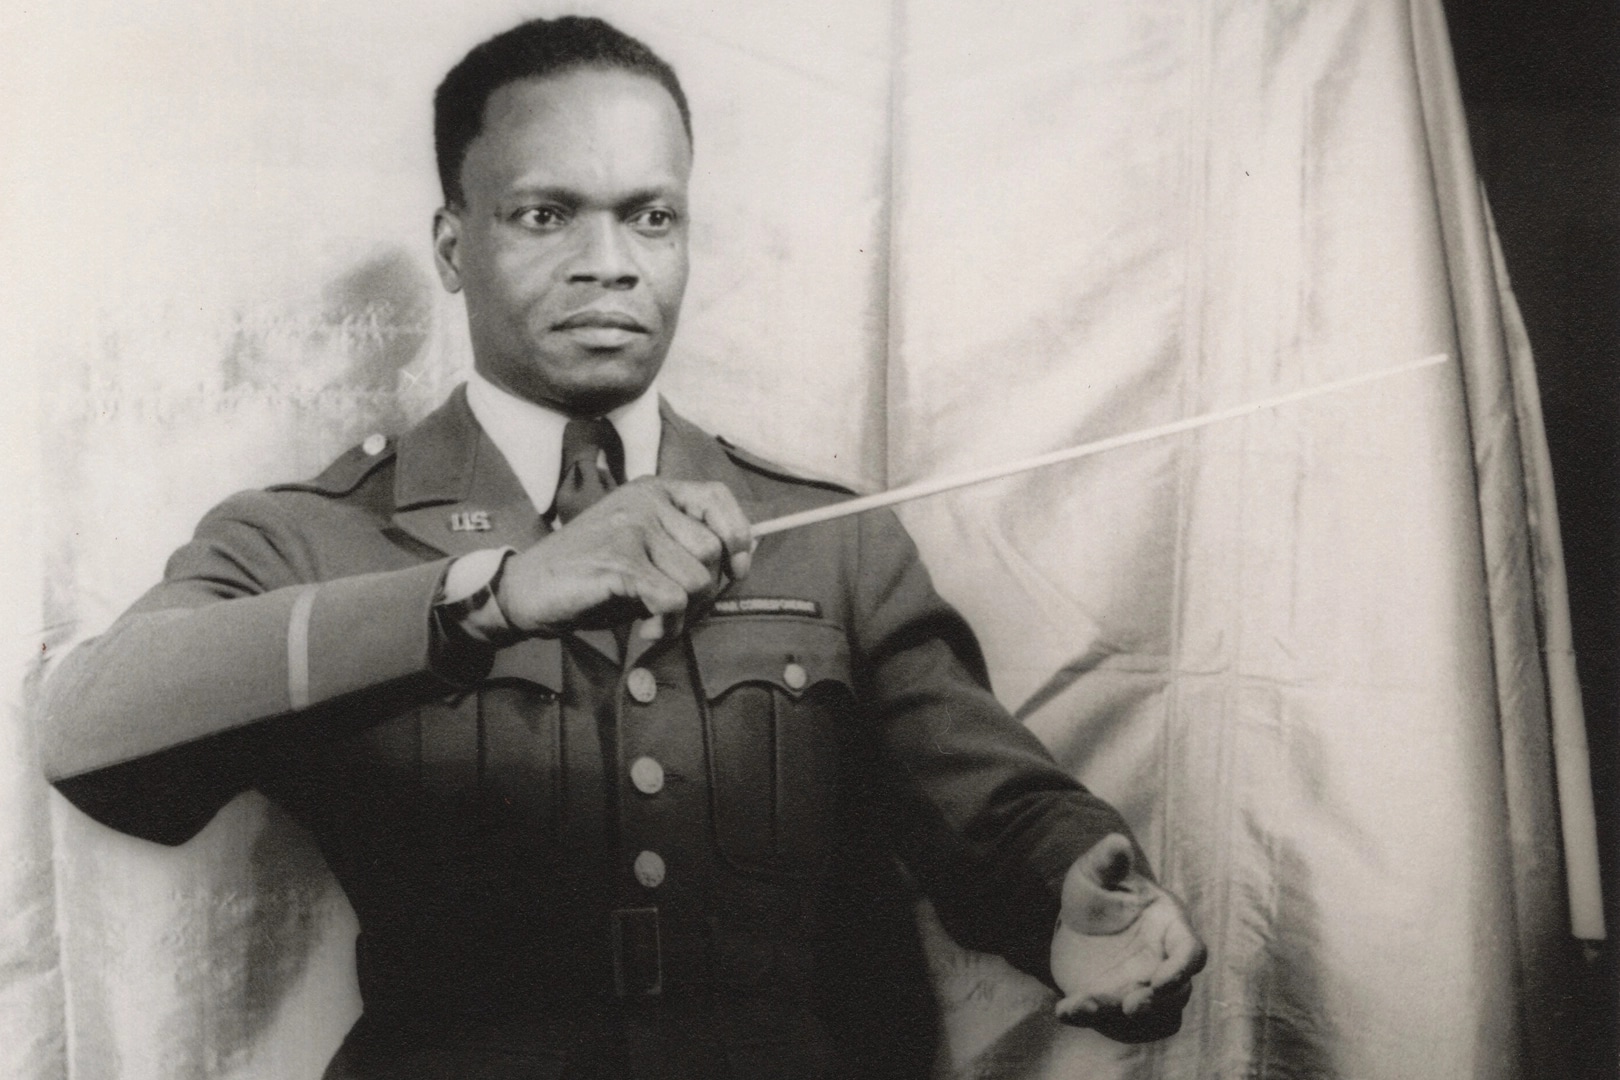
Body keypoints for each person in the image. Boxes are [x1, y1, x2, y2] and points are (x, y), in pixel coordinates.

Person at [38, 16, 1204, 1079]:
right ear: (451, 246)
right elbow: (89, 731)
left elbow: (990, 815)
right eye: (546, 215)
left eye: (652, 216)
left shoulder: (832, 540)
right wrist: (487, 597)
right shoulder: (319, 533)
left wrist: (1073, 902)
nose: (611, 261)